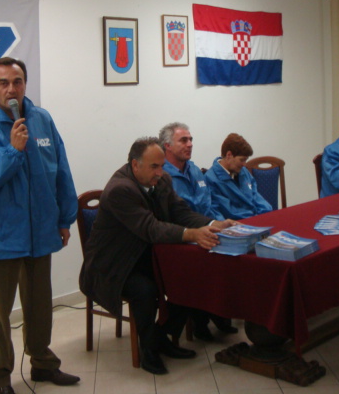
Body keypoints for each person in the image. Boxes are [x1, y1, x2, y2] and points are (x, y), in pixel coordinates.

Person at [0, 57, 79, 394]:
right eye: (3, 83)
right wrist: (11, 151)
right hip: (1, 235)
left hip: (41, 231)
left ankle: (42, 363)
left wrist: (64, 218)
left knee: (40, 306)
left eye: (18, 81)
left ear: (25, 84)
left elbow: (61, 169)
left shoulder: (42, 119)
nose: (11, 89)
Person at [79, 137, 237, 375]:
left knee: (189, 274)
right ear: (135, 165)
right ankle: (149, 352)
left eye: (162, 166)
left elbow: (181, 212)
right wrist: (191, 234)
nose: (160, 172)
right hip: (113, 265)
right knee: (145, 290)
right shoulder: (120, 190)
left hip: (144, 255)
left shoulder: (161, 180)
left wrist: (214, 224)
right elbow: (150, 228)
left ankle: (161, 336)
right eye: (154, 166)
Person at [158, 122, 238, 341]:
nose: (190, 144)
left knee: (233, 255)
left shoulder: (194, 170)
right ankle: (200, 321)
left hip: (205, 227)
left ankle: (219, 312)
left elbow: (208, 204)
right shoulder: (161, 176)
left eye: (191, 139)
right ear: (167, 146)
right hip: (181, 237)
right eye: (183, 140)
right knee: (204, 261)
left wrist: (219, 224)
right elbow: (174, 216)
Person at [206, 133, 273, 220]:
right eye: (242, 160)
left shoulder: (243, 171)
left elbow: (256, 196)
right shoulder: (211, 179)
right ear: (229, 155)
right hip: (239, 223)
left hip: (255, 219)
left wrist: (266, 214)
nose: (244, 164)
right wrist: (254, 219)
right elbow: (228, 212)